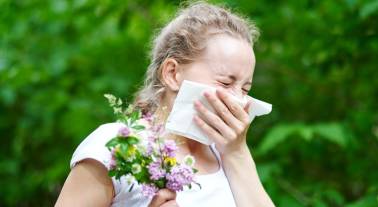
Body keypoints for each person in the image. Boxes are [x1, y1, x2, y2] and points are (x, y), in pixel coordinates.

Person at [55, 2, 275, 207]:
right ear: (172, 73)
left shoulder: (226, 155)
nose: (238, 99)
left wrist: (237, 152)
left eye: (245, 89)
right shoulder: (116, 147)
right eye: (226, 82)